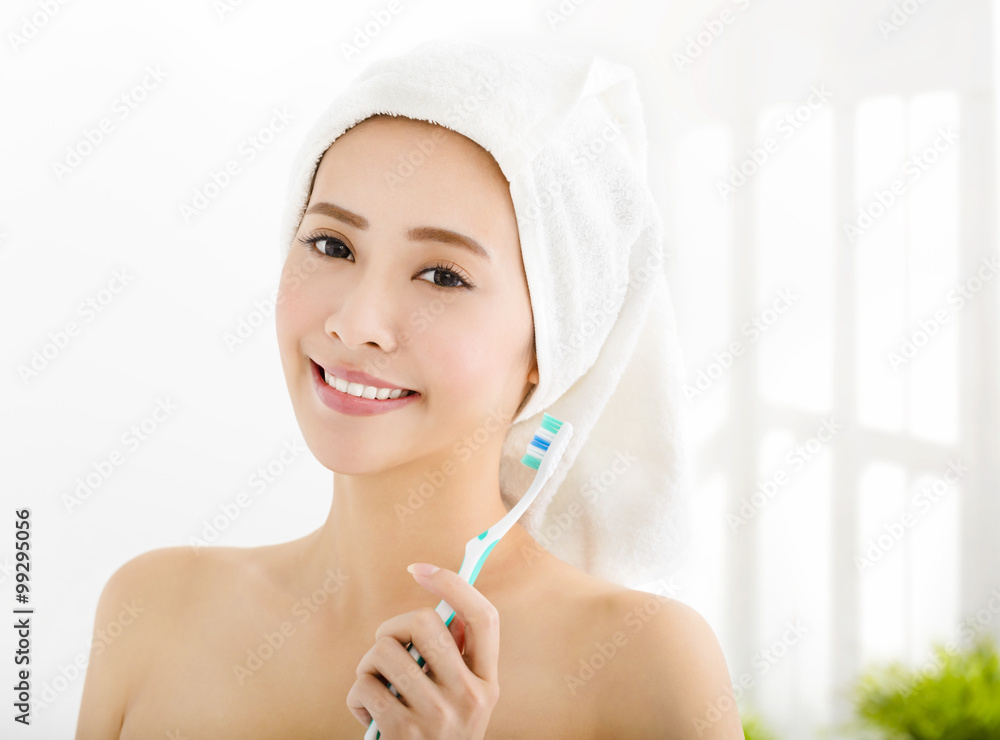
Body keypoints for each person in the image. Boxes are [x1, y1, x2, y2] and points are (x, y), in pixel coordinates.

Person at [75, 41, 744, 740]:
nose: (355, 324)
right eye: (332, 245)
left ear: (553, 343)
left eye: (443, 276)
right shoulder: (150, 612)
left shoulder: (644, 664)